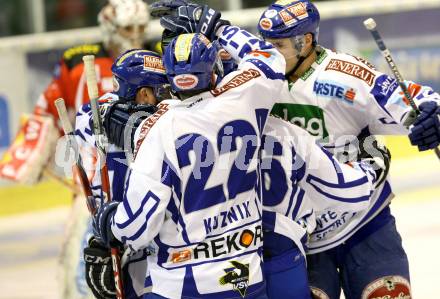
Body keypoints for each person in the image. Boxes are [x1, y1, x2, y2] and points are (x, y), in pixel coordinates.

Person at [256, 1, 440, 298]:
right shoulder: (257, 80)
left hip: (366, 222)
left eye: (278, 45)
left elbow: (409, 99)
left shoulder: (344, 75)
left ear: (305, 42)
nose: (268, 53)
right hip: (302, 235)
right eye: (265, 44)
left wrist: (431, 115)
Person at [91, 27, 287, 297]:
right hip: (249, 277)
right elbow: (270, 57)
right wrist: (220, 26)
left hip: (185, 285)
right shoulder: (244, 97)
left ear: (170, 80)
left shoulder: (158, 130)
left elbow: (134, 229)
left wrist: (109, 224)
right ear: (213, 72)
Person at [0, 1, 151, 298]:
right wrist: (29, 153)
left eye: (139, 29)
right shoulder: (77, 63)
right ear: (109, 27)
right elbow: (47, 110)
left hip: (143, 181)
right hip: (93, 189)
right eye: (127, 28)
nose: (134, 36)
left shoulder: (153, 58)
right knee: (82, 267)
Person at [75, 49, 170, 299]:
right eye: (163, 91)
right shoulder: (93, 115)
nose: (169, 98)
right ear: (144, 93)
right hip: (130, 236)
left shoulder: (94, 113)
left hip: (124, 229)